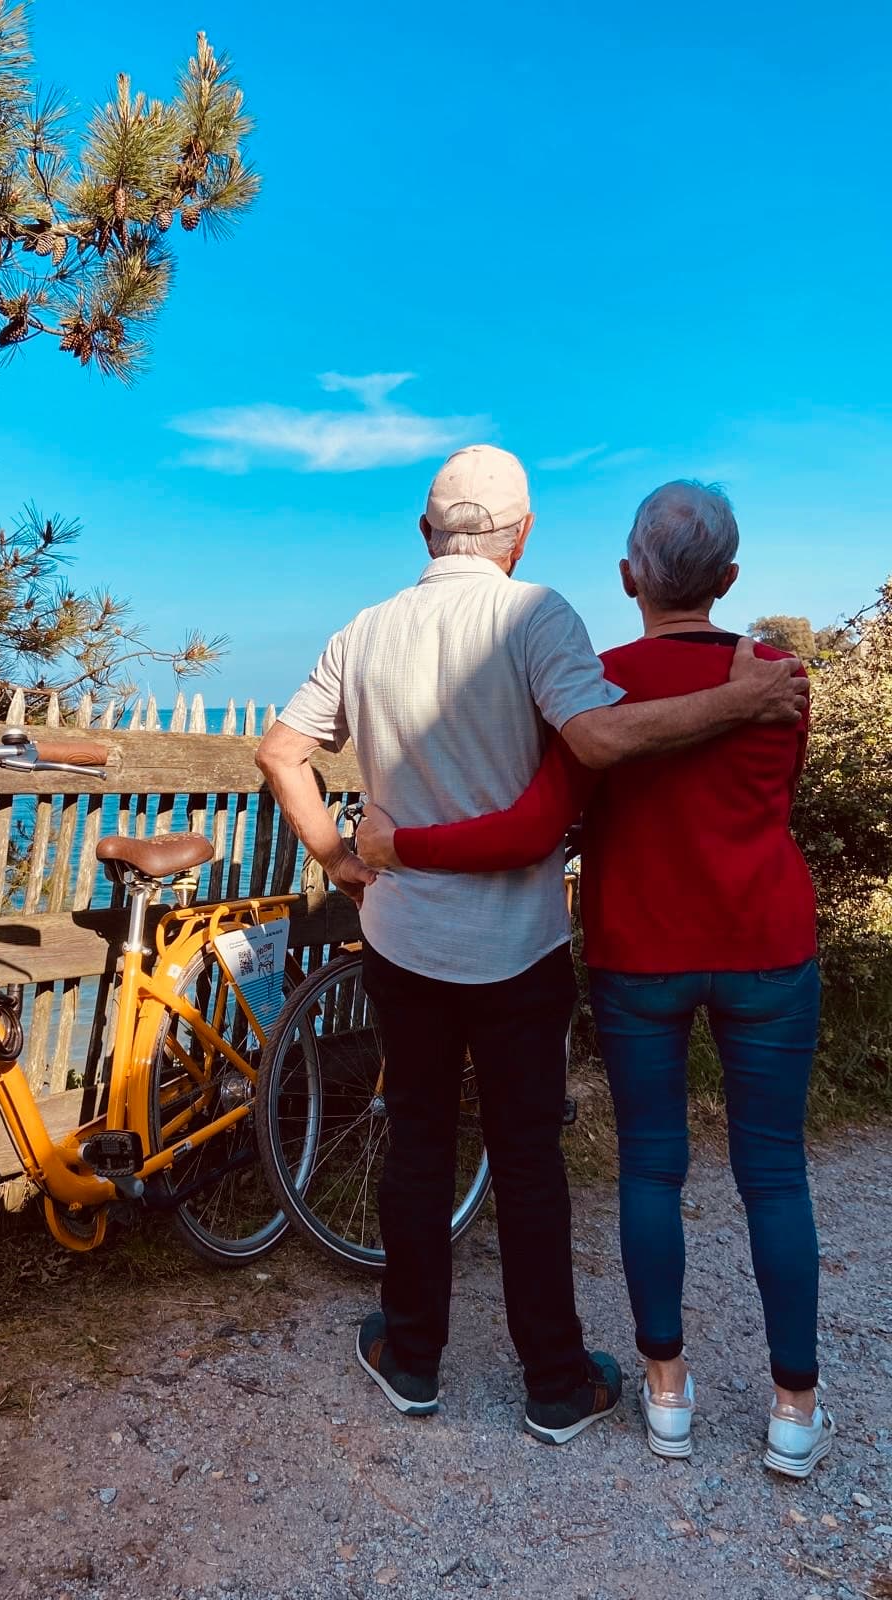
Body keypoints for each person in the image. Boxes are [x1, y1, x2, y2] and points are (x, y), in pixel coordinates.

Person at [255, 448, 807, 1445]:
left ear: (426, 533)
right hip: (517, 945)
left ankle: (412, 1355)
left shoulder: (364, 631)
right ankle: (554, 1379)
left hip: (404, 936)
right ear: (521, 534)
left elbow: (280, 752)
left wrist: (340, 856)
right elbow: (596, 745)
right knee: (528, 1156)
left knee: (418, 1140)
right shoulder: (538, 616)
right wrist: (743, 699)